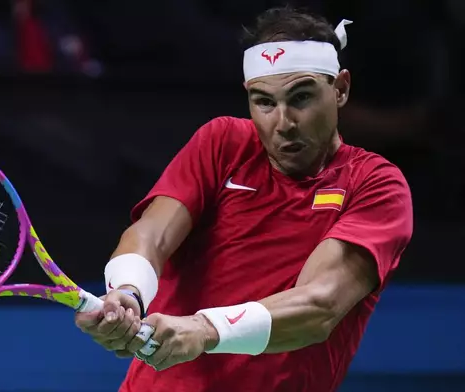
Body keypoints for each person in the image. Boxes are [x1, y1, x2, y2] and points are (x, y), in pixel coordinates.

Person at [75, 6, 413, 392]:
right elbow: (152, 234)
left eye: (301, 97)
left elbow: (319, 305)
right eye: (264, 102)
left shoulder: (376, 185)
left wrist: (205, 329)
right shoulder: (222, 144)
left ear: (340, 89)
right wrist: (128, 292)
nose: (283, 122)